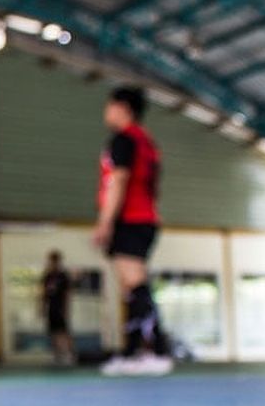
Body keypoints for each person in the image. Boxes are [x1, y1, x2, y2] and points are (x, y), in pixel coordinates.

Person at [91, 85, 172, 377]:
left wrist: (105, 222)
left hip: (131, 219)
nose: (106, 112)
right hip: (146, 219)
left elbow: (118, 182)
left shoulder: (124, 140)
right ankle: (135, 351)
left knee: (135, 284)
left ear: (123, 108)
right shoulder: (147, 142)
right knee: (131, 287)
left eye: (109, 106)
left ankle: (157, 350)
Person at [42, 250, 74, 366]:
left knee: (63, 332)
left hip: (60, 307)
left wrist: (66, 309)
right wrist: (42, 307)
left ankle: (68, 354)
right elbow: (43, 293)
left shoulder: (63, 276)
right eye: (51, 261)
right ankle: (56, 355)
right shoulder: (47, 275)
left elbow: (67, 294)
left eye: (54, 260)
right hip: (51, 308)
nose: (52, 263)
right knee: (53, 333)